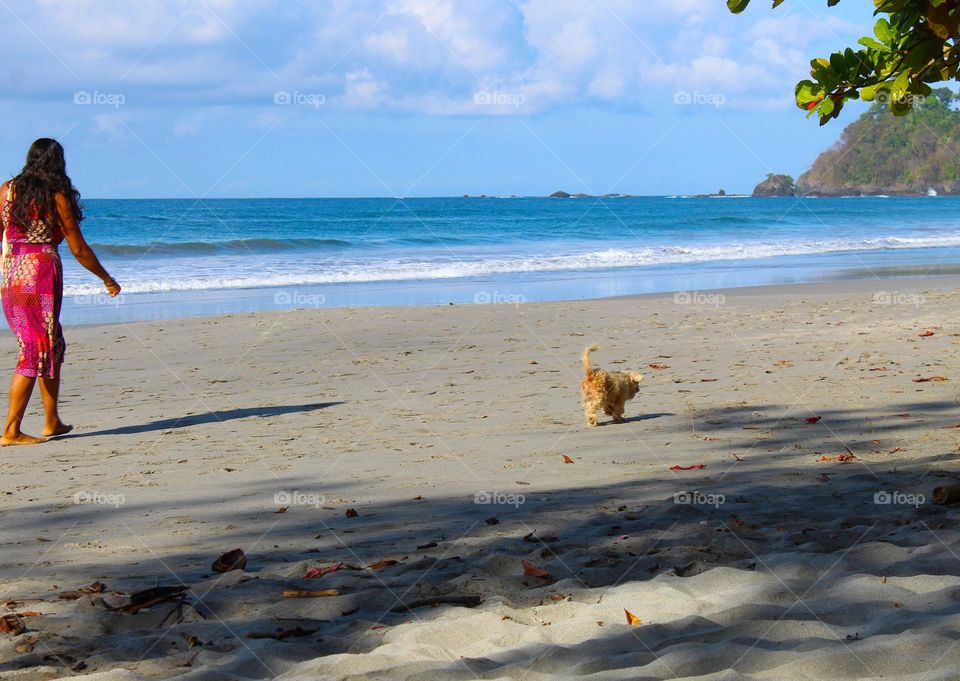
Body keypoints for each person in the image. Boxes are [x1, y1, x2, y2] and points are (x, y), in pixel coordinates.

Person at [0, 138, 120, 445]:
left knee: (51, 344)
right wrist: (106, 278)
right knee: (35, 348)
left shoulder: (7, 190)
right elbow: (78, 248)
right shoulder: (57, 196)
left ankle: (52, 421)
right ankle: (11, 431)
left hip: (11, 273)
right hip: (39, 273)